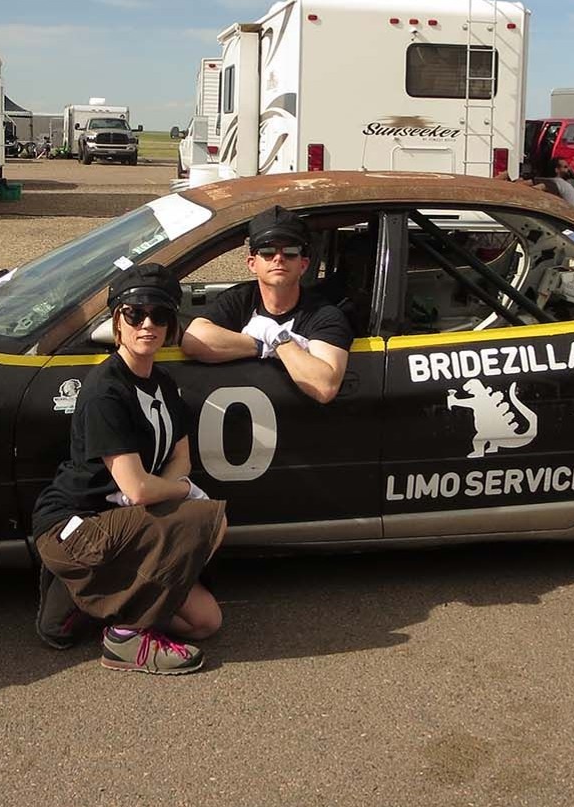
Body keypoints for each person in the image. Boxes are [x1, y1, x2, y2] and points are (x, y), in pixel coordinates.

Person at [30, 262, 227, 675]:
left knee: (207, 622)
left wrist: (172, 487)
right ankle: (126, 637)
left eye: (160, 315)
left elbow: (180, 457)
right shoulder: (106, 390)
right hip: (77, 526)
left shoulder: (166, 384)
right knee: (205, 518)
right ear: (116, 321)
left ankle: (94, 598)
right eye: (134, 314)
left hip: (125, 524)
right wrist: (183, 492)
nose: (147, 324)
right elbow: (136, 489)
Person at [180, 206, 351, 404]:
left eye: (290, 252)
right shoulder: (239, 299)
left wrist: (278, 338)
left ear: (303, 265)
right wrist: (264, 344)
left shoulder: (324, 315)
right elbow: (193, 342)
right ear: (252, 263)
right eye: (267, 252)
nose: (279, 258)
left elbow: (324, 386)